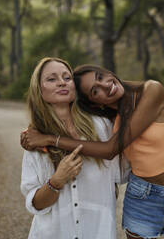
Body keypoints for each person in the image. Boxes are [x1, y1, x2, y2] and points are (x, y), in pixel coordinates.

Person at [22, 64, 164, 239]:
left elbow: (112, 151)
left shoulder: (148, 93)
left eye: (100, 77)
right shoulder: (111, 120)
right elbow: (139, 155)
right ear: (95, 103)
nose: (105, 85)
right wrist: (53, 173)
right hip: (141, 195)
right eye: (94, 91)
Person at [20, 57, 129, 239]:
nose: (61, 82)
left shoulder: (102, 126)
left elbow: (130, 168)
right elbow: (36, 204)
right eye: (51, 79)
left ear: (74, 87)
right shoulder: (35, 140)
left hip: (98, 232)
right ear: (39, 90)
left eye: (66, 77)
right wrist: (56, 181)